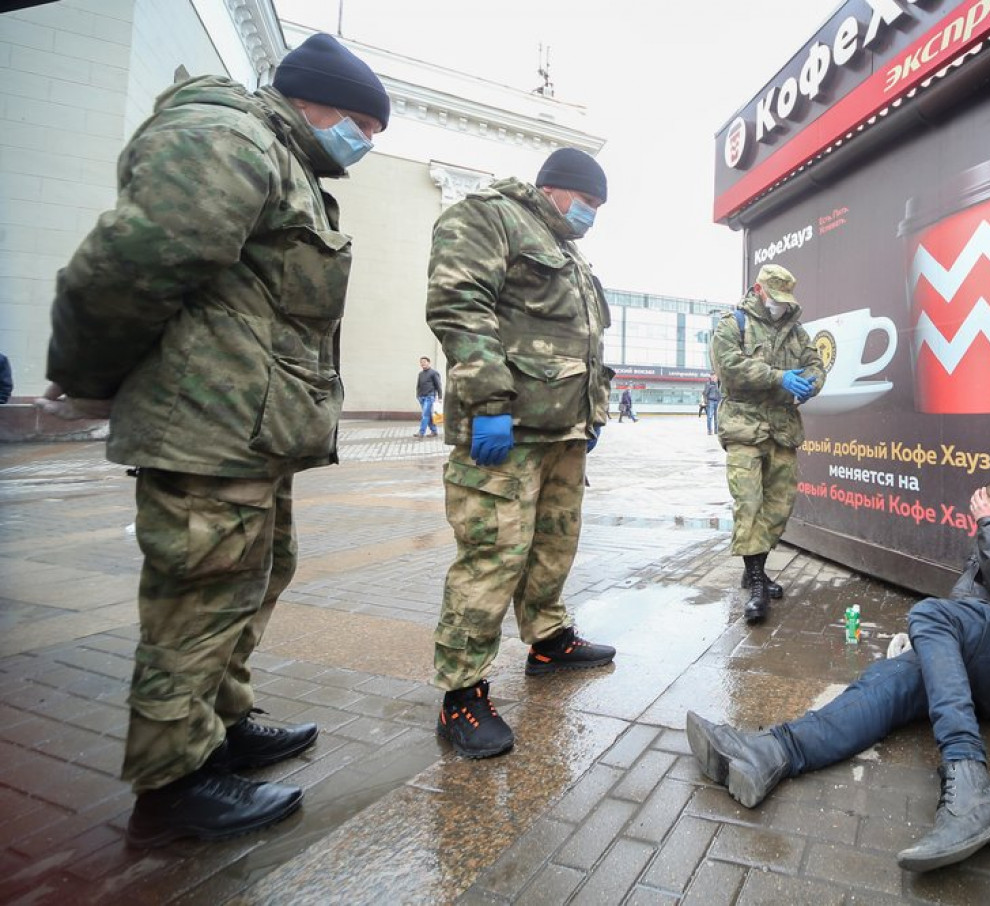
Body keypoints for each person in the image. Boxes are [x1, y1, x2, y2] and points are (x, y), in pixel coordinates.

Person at [36, 34, 390, 847]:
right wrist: (87, 373)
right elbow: (133, 262)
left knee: (248, 583)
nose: (364, 146)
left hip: (250, 432)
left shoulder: (281, 157)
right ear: (315, 103)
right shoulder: (228, 137)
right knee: (198, 600)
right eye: (362, 127)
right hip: (208, 430)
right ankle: (174, 786)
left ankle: (220, 727)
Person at [686, 480, 990, 873]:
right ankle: (773, 753)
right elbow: (966, 610)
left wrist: (988, 528)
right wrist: (931, 651)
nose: (982, 529)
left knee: (929, 613)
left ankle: (970, 780)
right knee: (889, 678)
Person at [426, 147, 617, 759]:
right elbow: (459, 305)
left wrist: (594, 412)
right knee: (492, 555)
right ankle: (461, 693)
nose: (591, 214)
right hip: (507, 429)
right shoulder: (489, 216)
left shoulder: (570, 254)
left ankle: (549, 640)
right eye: (588, 201)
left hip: (563, 431)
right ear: (556, 188)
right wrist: (487, 403)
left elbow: (588, 346)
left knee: (553, 545)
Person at [709, 264, 824, 623]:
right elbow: (728, 367)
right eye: (775, 298)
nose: (781, 305)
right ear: (759, 291)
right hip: (744, 429)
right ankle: (757, 582)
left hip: (782, 430)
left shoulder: (796, 331)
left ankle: (752, 567)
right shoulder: (733, 324)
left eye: (785, 299)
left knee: (780, 505)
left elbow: (816, 364)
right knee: (749, 502)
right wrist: (779, 378)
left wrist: (810, 383)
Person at [414, 355, 442, 437]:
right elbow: (418, 385)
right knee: (428, 415)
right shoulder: (420, 374)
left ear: (429, 362)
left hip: (429, 397)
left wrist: (440, 397)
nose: (423, 364)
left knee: (424, 415)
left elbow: (438, 385)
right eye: (421, 362)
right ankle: (434, 431)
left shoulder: (434, 373)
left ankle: (421, 432)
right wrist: (418, 395)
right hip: (421, 397)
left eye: (424, 362)